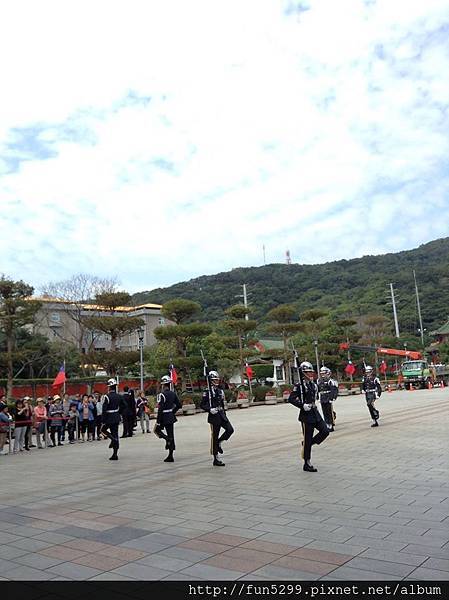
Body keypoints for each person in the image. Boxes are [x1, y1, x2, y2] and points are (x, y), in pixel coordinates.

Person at [288, 361, 329, 472]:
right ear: (303, 372)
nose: (310, 373)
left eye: (311, 371)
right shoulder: (299, 386)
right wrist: (302, 406)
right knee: (308, 436)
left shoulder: (312, 384)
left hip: (314, 412)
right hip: (306, 415)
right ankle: (307, 463)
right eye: (307, 372)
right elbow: (291, 399)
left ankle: (309, 443)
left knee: (325, 431)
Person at [200, 370, 234, 467]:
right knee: (214, 436)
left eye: (217, 379)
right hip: (214, 416)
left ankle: (219, 442)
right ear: (210, 380)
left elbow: (223, 404)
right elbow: (202, 404)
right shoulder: (207, 391)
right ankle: (216, 458)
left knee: (230, 430)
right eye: (215, 380)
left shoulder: (220, 391)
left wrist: (224, 413)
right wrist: (209, 409)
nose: (217, 381)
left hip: (221, 414)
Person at [154, 376, 182, 462]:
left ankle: (167, 439)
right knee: (171, 434)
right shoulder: (173, 394)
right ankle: (171, 454)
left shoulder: (162, 395)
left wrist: (158, 421)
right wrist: (172, 412)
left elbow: (160, 409)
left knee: (156, 430)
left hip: (163, 417)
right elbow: (179, 405)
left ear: (163, 385)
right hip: (170, 416)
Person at [101, 378, 124, 461]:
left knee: (103, 430)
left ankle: (112, 439)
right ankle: (115, 454)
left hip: (109, 417)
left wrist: (103, 420)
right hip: (116, 416)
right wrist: (119, 412)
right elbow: (124, 405)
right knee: (115, 433)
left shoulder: (107, 397)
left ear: (109, 387)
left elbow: (104, 409)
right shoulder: (119, 396)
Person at [317, 366, 339, 432]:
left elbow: (333, 390)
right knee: (324, 411)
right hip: (322, 397)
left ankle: (331, 424)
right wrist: (317, 397)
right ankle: (327, 423)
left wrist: (332, 397)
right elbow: (318, 389)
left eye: (324, 373)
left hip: (328, 397)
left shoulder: (330, 381)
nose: (322, 375)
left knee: (329, 411)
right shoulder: (319, 381)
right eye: (322, 373)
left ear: (327, 373)